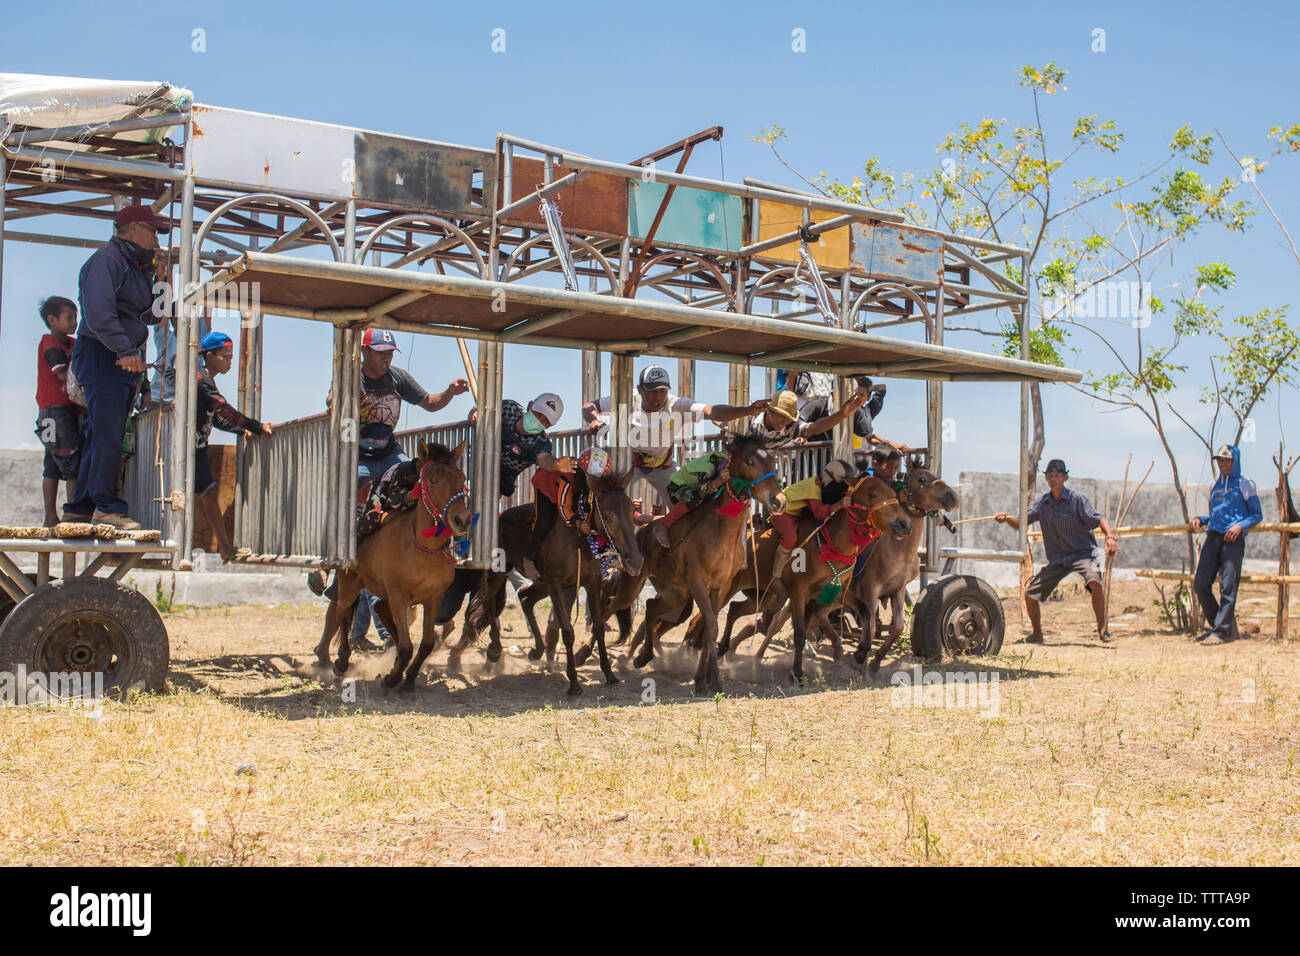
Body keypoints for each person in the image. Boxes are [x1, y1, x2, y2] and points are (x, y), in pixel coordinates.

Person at [306, 328, 470, 646]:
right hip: (358, 455)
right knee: (354, 498)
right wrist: (334, 401)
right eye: (381, 352)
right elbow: (332, 399)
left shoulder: (397, 378)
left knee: (421, 478)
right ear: (364, 352)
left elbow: (431, 403)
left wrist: (450, 392)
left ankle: (441, 544)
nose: (387, 357)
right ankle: (332, 558)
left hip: (389, 452)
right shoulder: (351, 376)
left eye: (390, 352)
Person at [63, 204, 169, 530]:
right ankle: (106, 506)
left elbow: (154, 316)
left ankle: (80, 507)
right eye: (153, 232)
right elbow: (98, 314)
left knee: (100, 431)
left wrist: (162, 280)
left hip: (120, 356)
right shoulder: (108, 261)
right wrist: (125, 349)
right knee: (108, 432)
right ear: (134, 228)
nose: (156, 240)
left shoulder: (137, 268)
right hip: (104, 353)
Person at [581, 365, 767, 511]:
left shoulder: (676, 405)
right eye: (652, 391)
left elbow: (711, 411)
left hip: (662, 466)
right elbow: (589, 405)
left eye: (662, 391)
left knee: (685, 503)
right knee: (604, 498)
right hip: (628, 463)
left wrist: (748, 410)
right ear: (640, 389)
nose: (658, 397)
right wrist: (595, 420)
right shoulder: (628, 399)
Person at [995, 458, 1119, 644]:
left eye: (1057, 476)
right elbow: (1021, 523)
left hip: (1082, 554)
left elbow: (1098, 519)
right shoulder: (1042, 504)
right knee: (1030, 594)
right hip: (1058, 559)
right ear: (1045, 478)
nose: (1053, 479)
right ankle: (1037, 634)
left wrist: (1109, 536)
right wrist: (1006, 519)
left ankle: (1103, 629)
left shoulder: (1077, 499)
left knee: (1095, 582)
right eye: (1050, 476)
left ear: (1065, 477)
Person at [194, 332, 274, 562]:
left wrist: (240, 430)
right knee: (202, 497)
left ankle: (225, 547)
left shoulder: (206, 379)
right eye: (226, 357)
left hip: (197, 450)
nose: (230, 361)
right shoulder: (202, 381)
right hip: (188, 452)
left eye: (231, 357)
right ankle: (224, 547)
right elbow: (224, 410)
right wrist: (256, 426)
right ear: (210, 356)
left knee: (208, 496)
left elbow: (215, 418)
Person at [1191, 444, 1262, 645]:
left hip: (1233, 540)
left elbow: (1256, 515)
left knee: (1228, 586)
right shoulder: (1215, 485)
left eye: (1226, 460)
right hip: (1213, 536)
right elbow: (1216, 514)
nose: (1222, 463)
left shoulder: (1246, 484)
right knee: (1201, 583)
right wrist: (1202, 519)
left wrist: (1240, 526)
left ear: (1235, 461)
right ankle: (1222, 627)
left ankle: (1221, 632)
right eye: (1220, 460)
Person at [34, 296, 84, 528]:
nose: (74, 322)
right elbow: (62, 373)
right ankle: (71, 516)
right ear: (51, 320)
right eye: (69, 318)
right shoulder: (50, 343)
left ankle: (53, 518)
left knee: (54, 465)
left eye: (75, 317)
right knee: (70, 463)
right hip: (54, 412)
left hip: (64, 412)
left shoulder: (73, 344)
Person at [765, 459, 857, 577]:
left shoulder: (821, 486)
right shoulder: (813, 488)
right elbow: (819, 513)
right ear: (830, 479)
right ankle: (776, 574)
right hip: (783, 511)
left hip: (797, 513)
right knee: (790, 537)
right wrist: (839, 505)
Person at [749, 386, 871, 450]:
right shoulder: (749, 417)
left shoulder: (790, 427)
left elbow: (813, 428)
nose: (784, 422)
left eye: (789, 418)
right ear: (769, 410)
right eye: (781, 416)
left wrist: (842, 414)